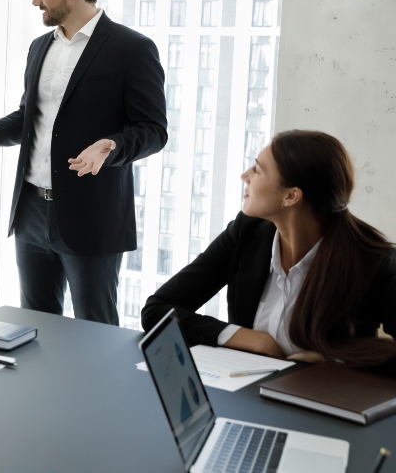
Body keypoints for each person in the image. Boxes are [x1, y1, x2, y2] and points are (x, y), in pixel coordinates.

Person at [0, 0, 167, 325]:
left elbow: (154, 130)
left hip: (91, 216)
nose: (35, 0)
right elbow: (29, 118)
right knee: (37, 327)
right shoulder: (40, 48)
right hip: (30, 211)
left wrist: (112, 146)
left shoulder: (132, 49)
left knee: (97, 333)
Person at [142, 130, 396, 367]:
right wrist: (248, 338)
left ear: (290, 196)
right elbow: (157, 309)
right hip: (249, 394)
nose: (245, 176)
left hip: (330, 403)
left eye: (257, 170)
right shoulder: (246, 233)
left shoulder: (375, 260)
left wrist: (334, 360)